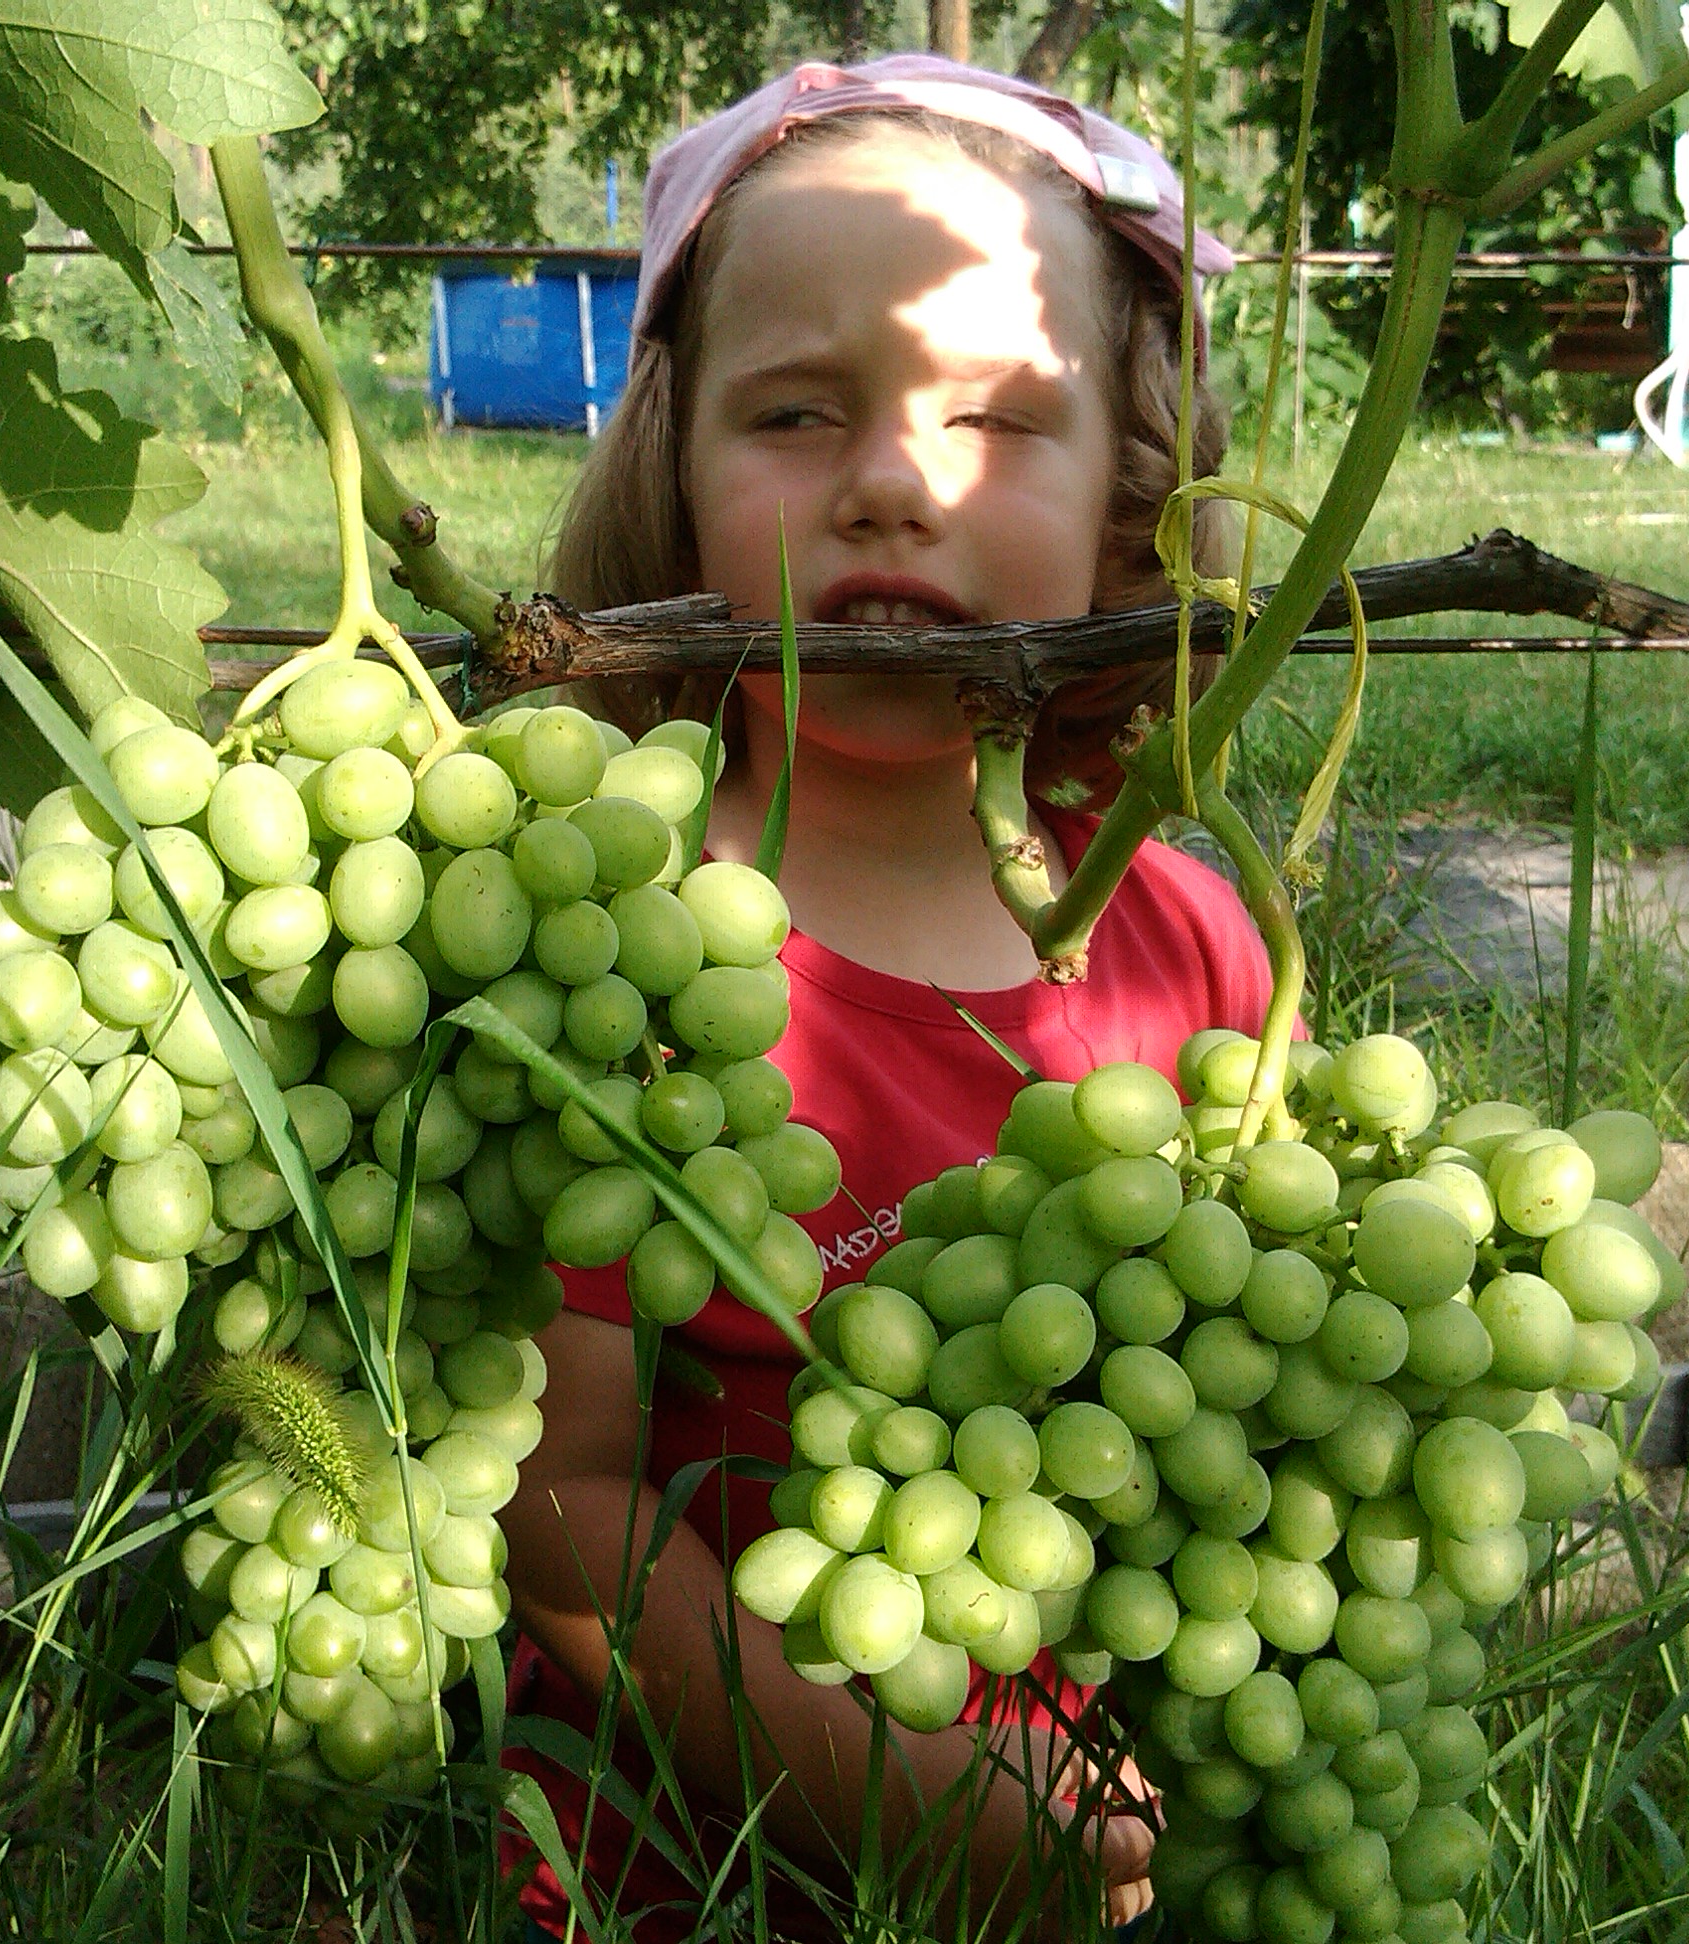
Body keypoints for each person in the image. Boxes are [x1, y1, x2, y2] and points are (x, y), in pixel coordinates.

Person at [498, 52, 1276, 1941]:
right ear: (673, 487)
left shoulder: (1198, 947)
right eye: (791, 413)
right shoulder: (627, 954)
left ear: (1135, 512)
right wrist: (891, 1797)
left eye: (1003, 421)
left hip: (1084, 1840)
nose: (890, 485)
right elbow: (559, 1501)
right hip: (682, 1864)